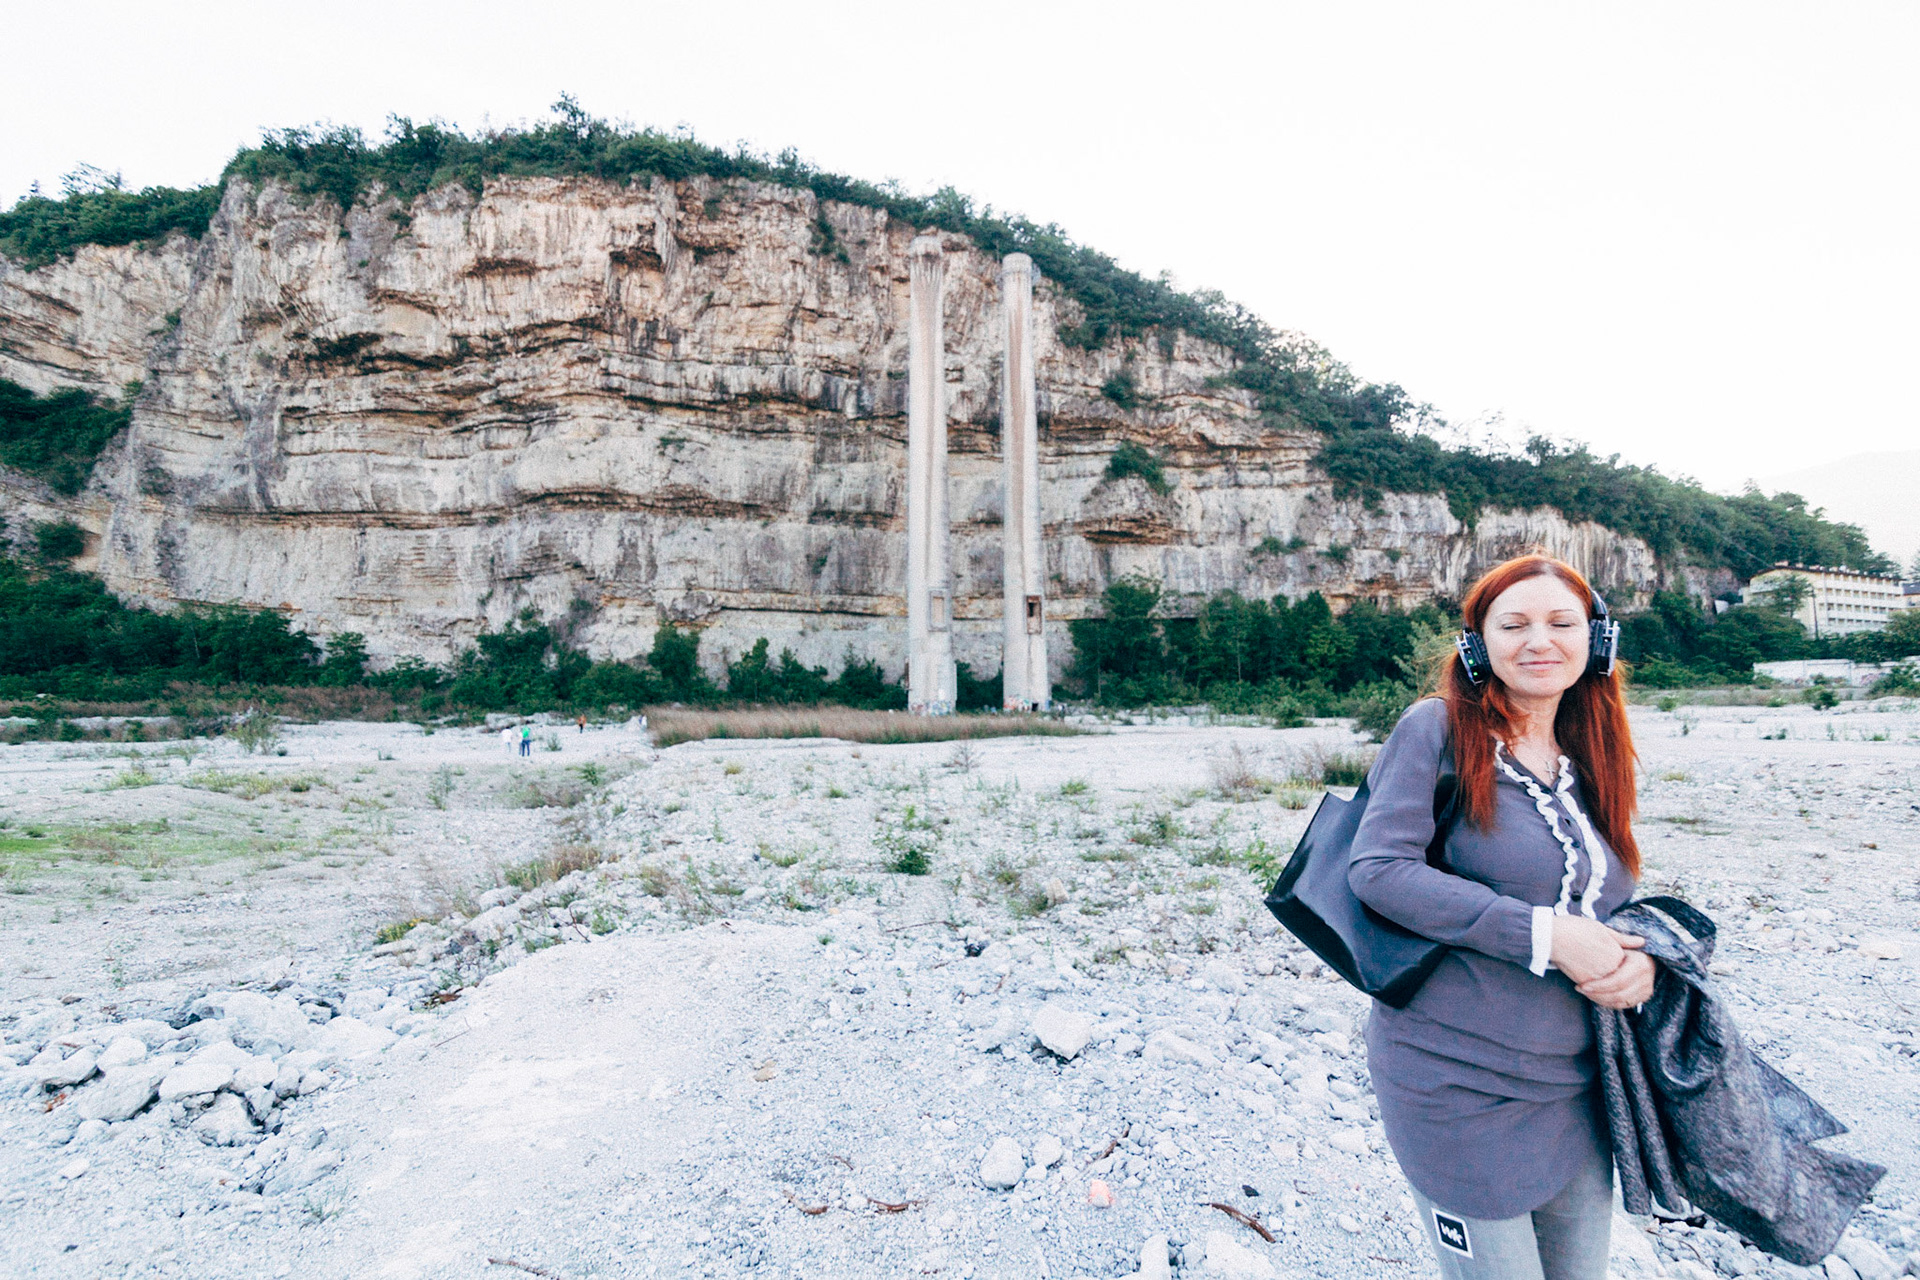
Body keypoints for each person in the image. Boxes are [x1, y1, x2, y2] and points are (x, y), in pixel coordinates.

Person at [1348, 554, 1654, 1280]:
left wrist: (1639, 961)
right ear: (1478, 645)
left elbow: (1607, 899)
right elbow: (1378, 871)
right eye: (1513, 624)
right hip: (1456, 1084)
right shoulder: (1437, 728)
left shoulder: (1593, 752)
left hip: (1576, 1089)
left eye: (1561, 623)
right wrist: (1545, 936)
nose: (1538, 641)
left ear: (1597, 642)